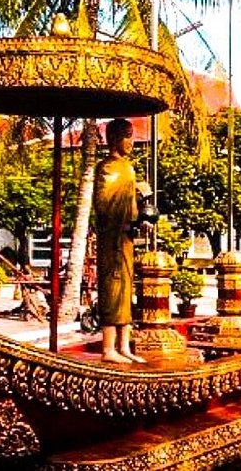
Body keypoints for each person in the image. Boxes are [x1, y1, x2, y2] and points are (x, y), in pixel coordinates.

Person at [93, 118, 147, 364]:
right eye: (127, 136)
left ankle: (124, 345)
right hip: (111, 238)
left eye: (131, 136)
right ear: (114, 139)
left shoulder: (128, 167)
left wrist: (139, 218)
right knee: (112, 290)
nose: (131, 142)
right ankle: (108, 348)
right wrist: (121, 220)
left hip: (126, 237)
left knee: (127, 292)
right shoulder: (106, 168)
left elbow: (131, 204)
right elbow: (103, 204)